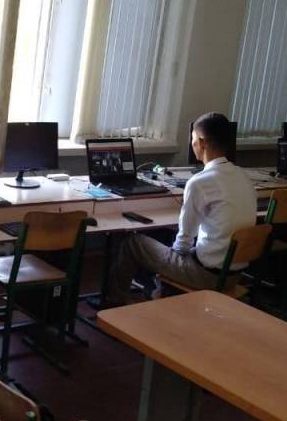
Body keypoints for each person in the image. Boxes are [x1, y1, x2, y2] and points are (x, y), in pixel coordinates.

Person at [106, 112, 257, 305]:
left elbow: (184, 241)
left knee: (133, 242)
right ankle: (155, 292)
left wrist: (172, 257)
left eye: (193, 139)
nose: (192, 144)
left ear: (201, 142)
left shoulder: (200, 182)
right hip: (234, 274)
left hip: (208, 276)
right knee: (172, 242)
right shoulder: (243, 176)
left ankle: (115, 303)